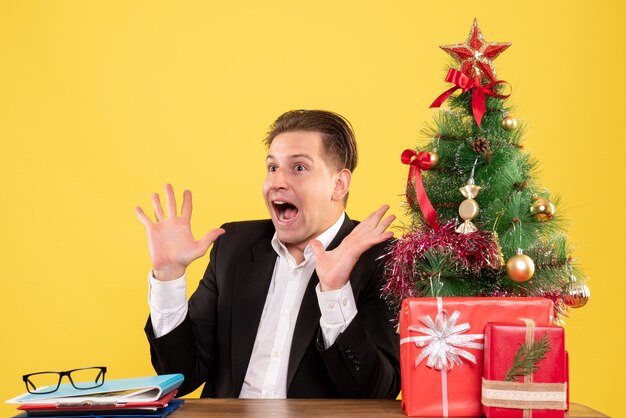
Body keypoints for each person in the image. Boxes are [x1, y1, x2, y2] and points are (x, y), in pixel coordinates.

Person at [135, 110, 400, 399]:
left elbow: (377, 392)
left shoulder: (381, 259)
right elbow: (181, 376)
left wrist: (335, 292)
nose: (277, 182)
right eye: (272, 168)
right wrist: (168, 278)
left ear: (339, 184)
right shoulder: (232, 247)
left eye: (299, 168)